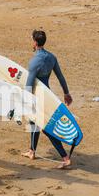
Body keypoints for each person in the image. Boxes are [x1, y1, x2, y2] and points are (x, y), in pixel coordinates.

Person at [22, 30, 73, 169]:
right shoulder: (52, 57)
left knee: (45, 127)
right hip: (48, 95)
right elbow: (60, 77)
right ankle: (32, 151)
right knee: (34, 122)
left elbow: (29, 85)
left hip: (37, 97)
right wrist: (66, 93)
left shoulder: (34, 62)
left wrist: (26, 102)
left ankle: (65, 157)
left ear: (35, 42)